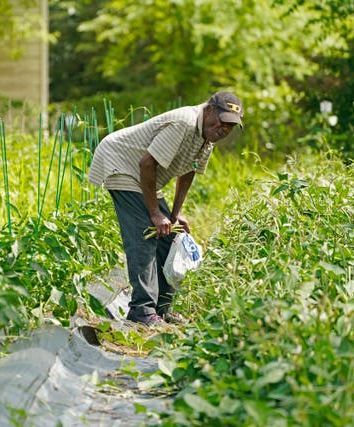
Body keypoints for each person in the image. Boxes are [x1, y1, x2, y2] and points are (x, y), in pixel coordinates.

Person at [88, 91, 244, 326]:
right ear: (209, 109)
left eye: (230, 126)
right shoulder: (184, 122)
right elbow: (146, 163)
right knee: (145, 234)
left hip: (145, 176)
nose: (223, 128)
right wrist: (154, 213)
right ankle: (142, 310)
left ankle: (160, 309)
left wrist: (174, 213)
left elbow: (188, 172)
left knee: (169, 236)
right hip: (121, 163)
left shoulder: (206, 138)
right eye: (222, 121)